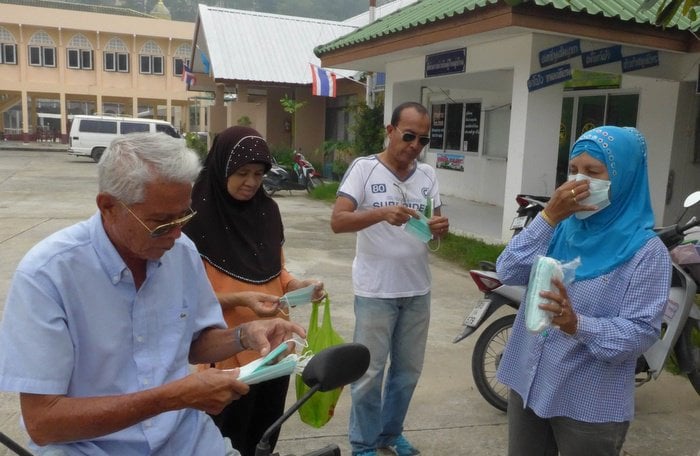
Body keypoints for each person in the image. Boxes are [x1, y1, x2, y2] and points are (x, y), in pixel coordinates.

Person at [0, 132, 305, 455]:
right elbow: (42, 422)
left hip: (185, 440)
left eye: (184, 217)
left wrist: (244, 334)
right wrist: (174, 397)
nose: (177, 234)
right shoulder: (48, 275)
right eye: (161, 223)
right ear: (108, 206)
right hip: (90, 448)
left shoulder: (182, 253)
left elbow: (195, 343)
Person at [495, 126, 672, 456]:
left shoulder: (647, 253)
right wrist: (548, 216)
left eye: (593, 172)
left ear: (624, 178)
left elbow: (641, 332)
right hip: (528, 382)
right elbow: (507, 270)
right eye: (573, 170)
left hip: (588, 401)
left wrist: (576, 324)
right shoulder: (561, 226)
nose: (578, 181)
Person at [183, 125, 324, 456]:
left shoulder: (267, 211)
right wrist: (240, 299)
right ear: (221, 168)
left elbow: (277, 271)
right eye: (242, 173)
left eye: (259, 174)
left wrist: (298, 286)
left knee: (263, 435)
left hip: (274, 349)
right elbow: (185, 299)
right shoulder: (195, 218)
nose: (251, 182)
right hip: (225, 351)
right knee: (226, 439)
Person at [330, 101, 450, 456]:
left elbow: (436, 228)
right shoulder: (364, 170)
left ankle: (390, 434)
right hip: (375, 291)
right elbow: (338, 221)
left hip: (417, 289)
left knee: (408, 372)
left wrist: (441, 228)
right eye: (408, 135)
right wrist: (382, 213)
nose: (414, 146)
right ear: (390, 131)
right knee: (369, 373)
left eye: (423, 140)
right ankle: (363, 445)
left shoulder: (428, 176)